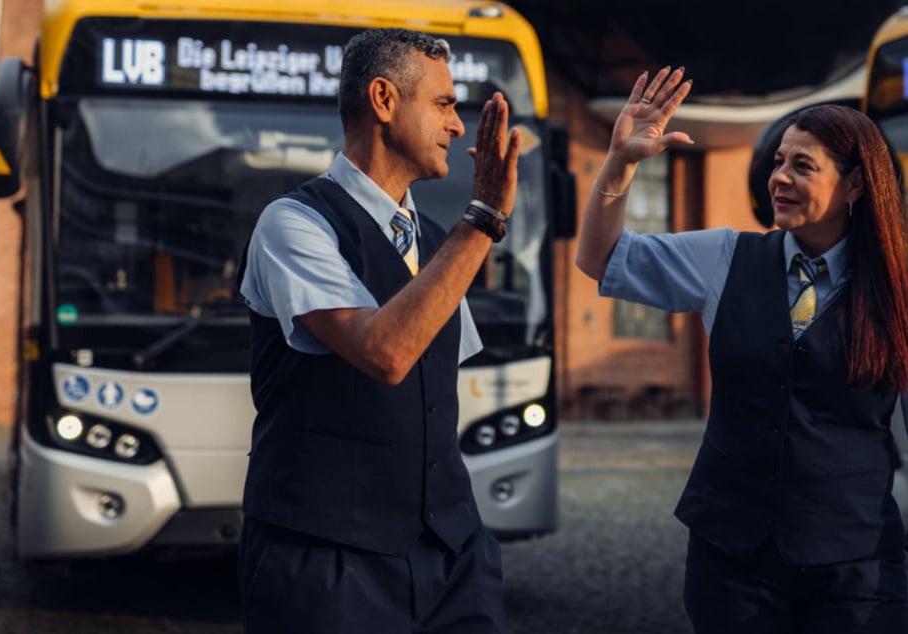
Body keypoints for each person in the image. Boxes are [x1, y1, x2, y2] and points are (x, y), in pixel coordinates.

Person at [575, 66, 908, 633]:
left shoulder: (897, 289)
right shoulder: (725, 257)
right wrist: (621, 162)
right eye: (779, 161)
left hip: (855, 569)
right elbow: (600, 258)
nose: (779, 177)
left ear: (854, 186)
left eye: (803, 165)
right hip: (732, 562)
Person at [237, 27, 520, 633]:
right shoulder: (291, 225)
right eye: (444, 104)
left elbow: (433, 396)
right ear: (384, 100)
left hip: (453, 555)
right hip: (327, 561)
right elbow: (386, 353)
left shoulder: (442, 242)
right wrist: (484, 219)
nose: (457, 126)